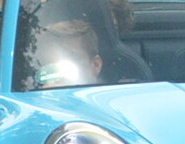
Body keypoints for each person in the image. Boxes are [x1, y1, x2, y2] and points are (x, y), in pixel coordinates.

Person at [22, 0, 150, 89]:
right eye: (47, 62)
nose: (56, 68)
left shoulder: (126, 83)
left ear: (96, 64)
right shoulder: (25, 78)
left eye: (73, 59)